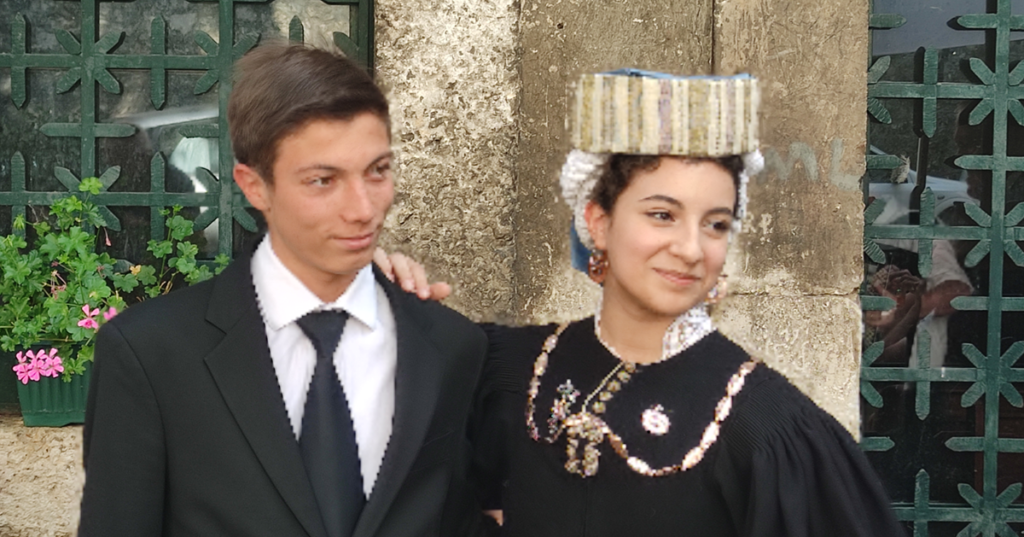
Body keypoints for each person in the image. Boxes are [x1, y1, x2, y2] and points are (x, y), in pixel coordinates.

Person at [386, 70, 904, 536]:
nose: (690, 248)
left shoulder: (766, 427)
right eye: (662, 215)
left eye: (716, 224)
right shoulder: (510, 369)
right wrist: (388, 292)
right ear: (598, 222)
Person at [78, 44, 493, 537]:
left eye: (377, 171)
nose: (362, 209)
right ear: (254, 187)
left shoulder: (452, 346)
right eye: (323, 180)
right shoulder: (150, 355)